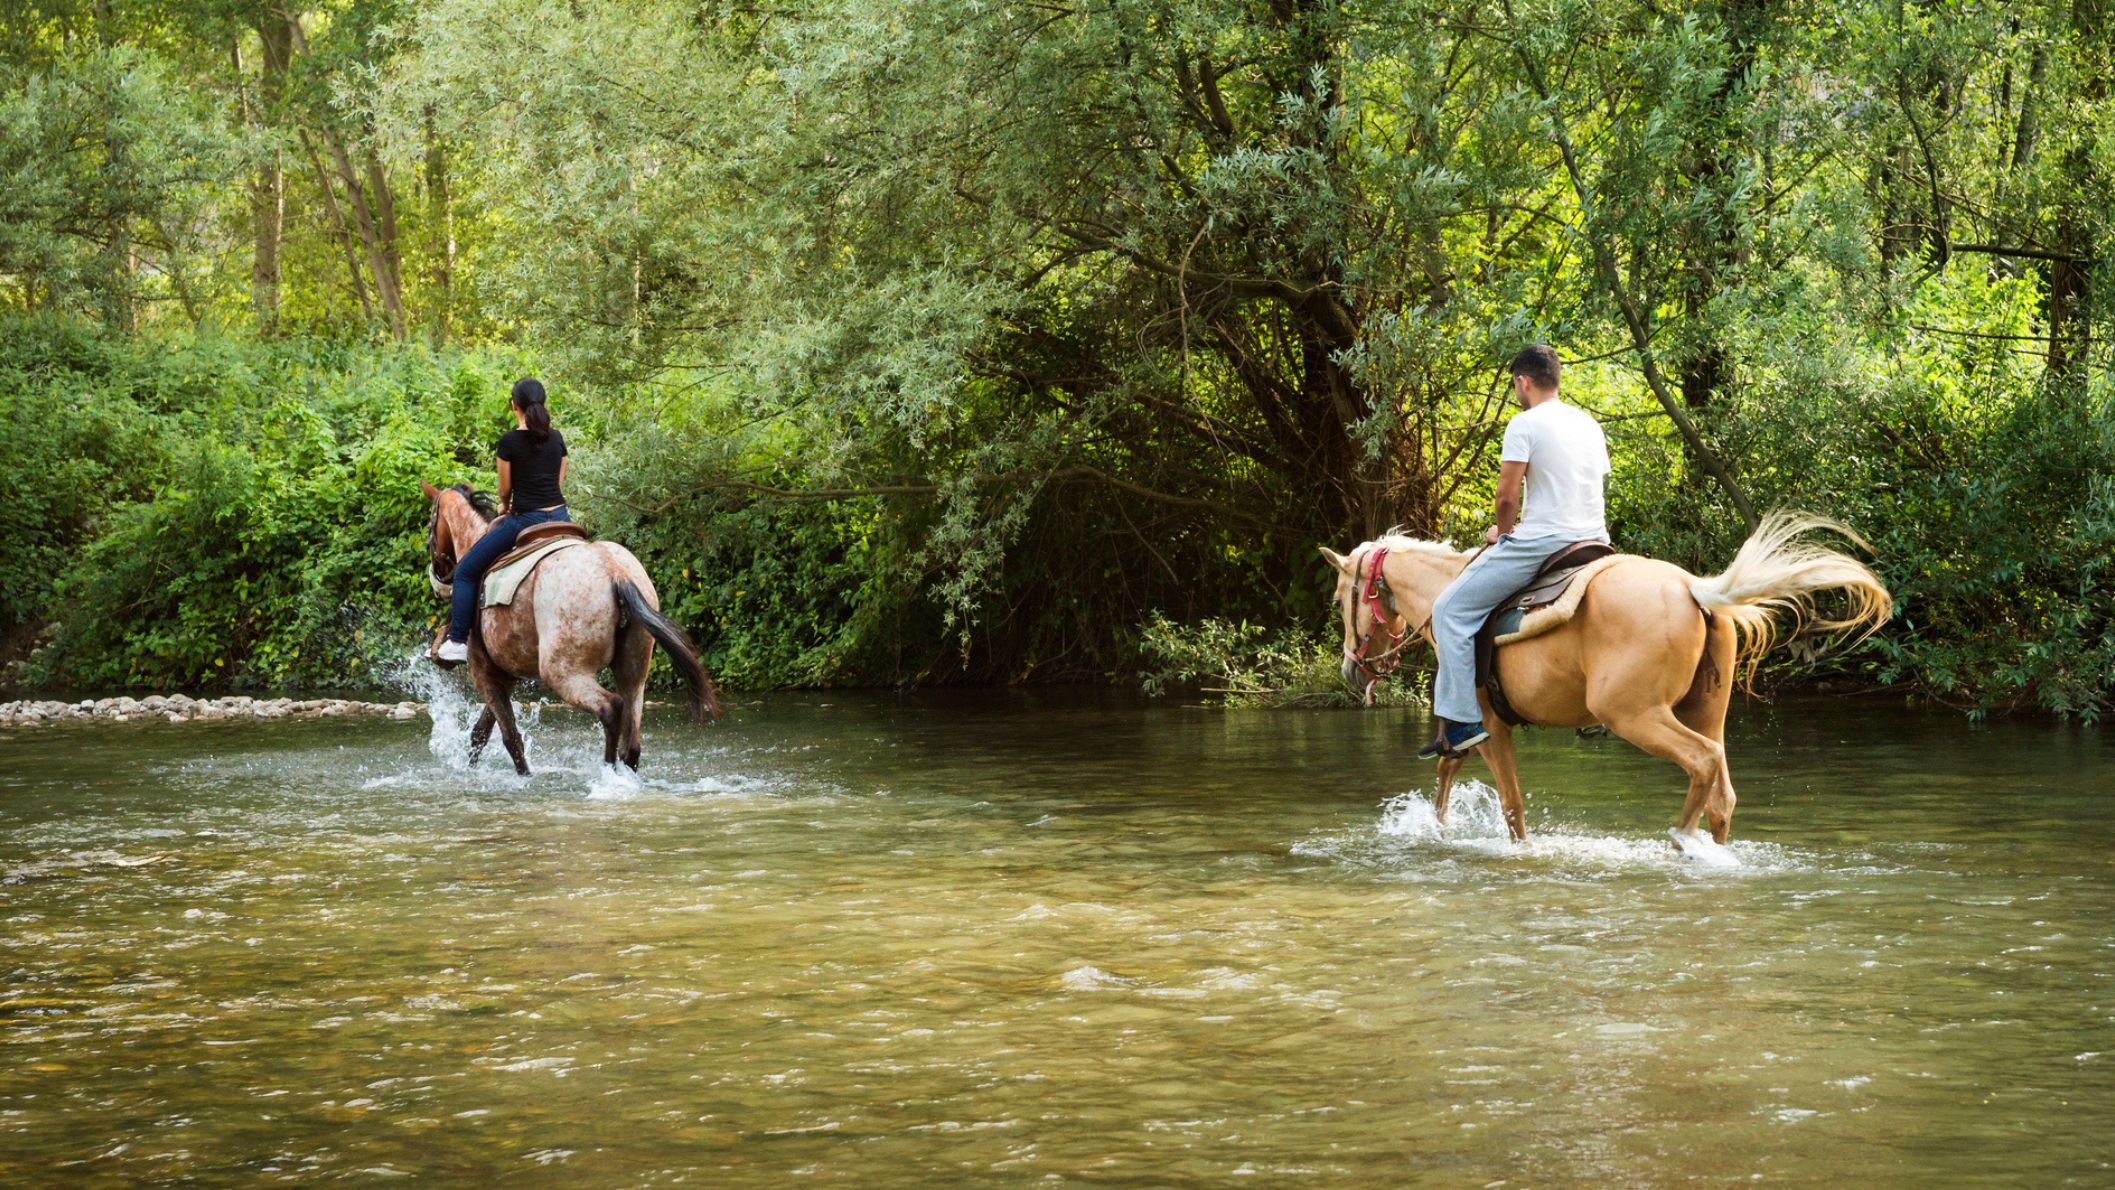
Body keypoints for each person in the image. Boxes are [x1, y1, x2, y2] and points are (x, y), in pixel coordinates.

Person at [1418, 345, 1610, 758]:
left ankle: (1462, 723)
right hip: (1595, 541)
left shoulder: (1524, 424)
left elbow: (1506, 498)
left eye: (1514, 385)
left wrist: (1503, 536)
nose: (1516, 392)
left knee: (1448, 611)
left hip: (1544, 542)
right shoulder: (1590, 424)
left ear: (1523, 381)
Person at [434, 378, 571, 664]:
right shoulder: (557, 438)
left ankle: (458, 640)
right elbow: (558, 483)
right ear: (542, 404)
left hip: (525, 520)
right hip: (561, 517)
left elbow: (504, 491)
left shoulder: (508, 442)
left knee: (466, 572)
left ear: (514, 406)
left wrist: (504, 507)